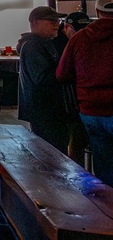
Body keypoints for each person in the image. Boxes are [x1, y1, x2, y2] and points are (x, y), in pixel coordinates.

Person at [57, 0, 113, 185]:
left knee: (103, 160)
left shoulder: (78, 39)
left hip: (91, 109)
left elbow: (61, 74)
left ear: (97, 12)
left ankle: (107, 206)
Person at [16, 6, 68, 153]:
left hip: (44, 110)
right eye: (51, 20)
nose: (56, 23)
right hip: (45, 110)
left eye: (58, 20)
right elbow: (42, 78)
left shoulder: (41, 43)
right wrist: (67, 72)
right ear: (35, 22)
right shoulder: (34, 45)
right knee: (52, 154)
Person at [51, 12, 91, 164]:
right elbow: (61, 74)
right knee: (75, 141)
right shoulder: (55, 43)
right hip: (68, 102)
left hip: (83, 99)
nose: (80, 34)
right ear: (66, 27)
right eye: (76, 31)